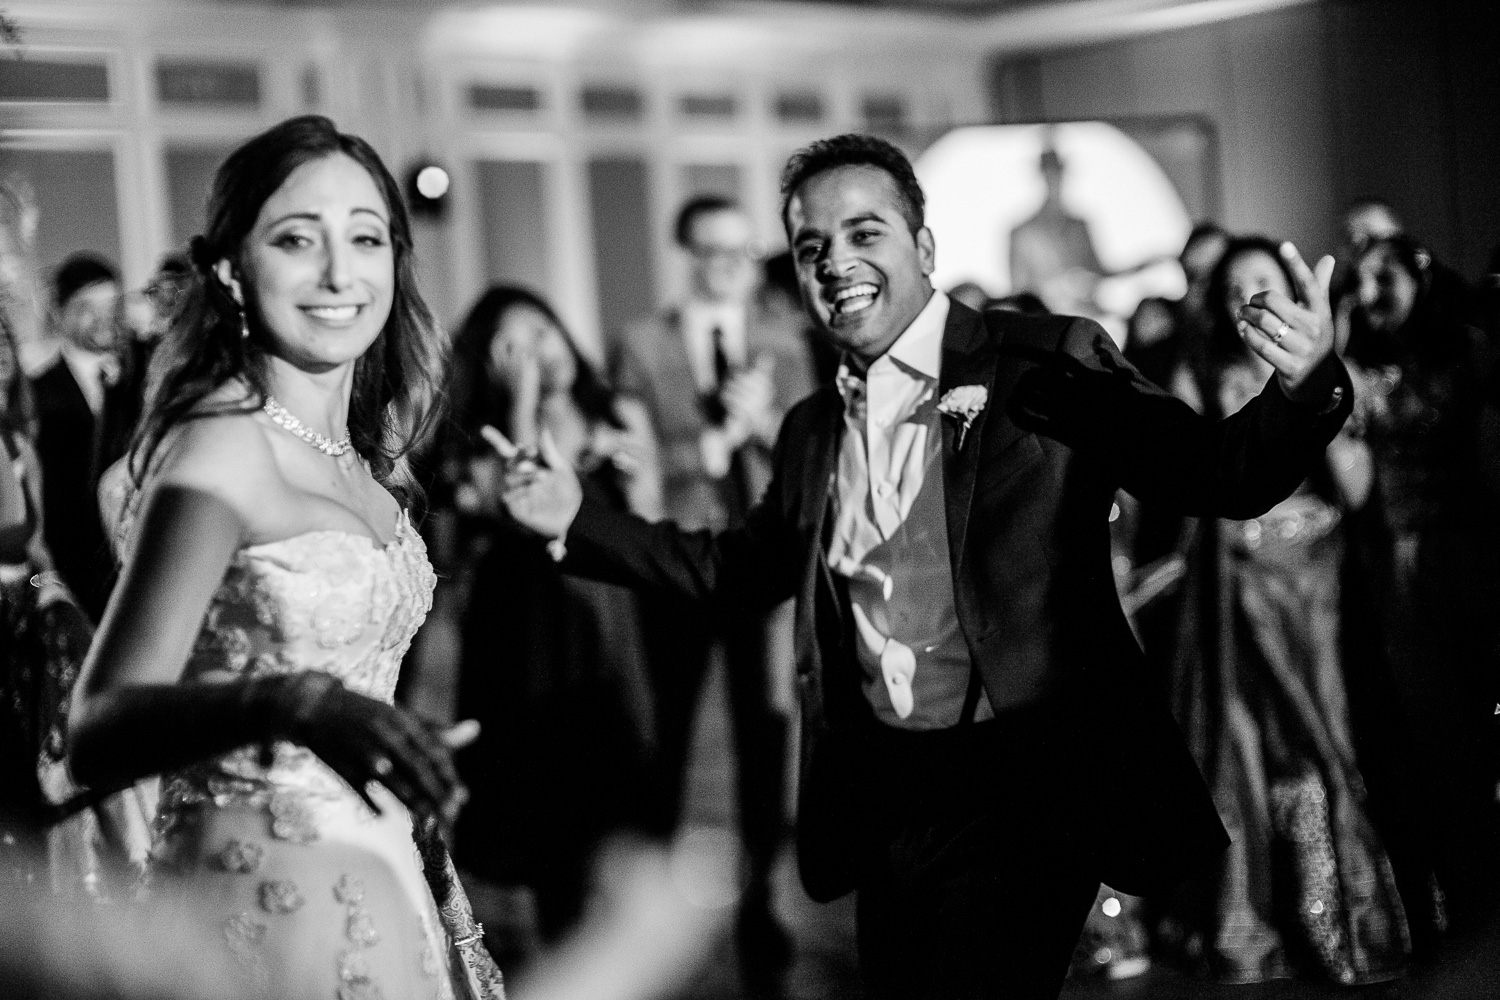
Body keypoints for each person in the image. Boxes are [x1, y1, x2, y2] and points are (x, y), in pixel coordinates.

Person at [486, 133, 1353, 999]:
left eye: (865, 234)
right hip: (889, 788)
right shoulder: (811, 430)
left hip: (1025, 780)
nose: (836, 263)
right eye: (811, 247)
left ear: (925, 248)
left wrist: (1307, 386)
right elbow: (738, 569)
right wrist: (577, 521)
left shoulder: (1042, 361)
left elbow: (1214, 472)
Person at [65, 115, 502, 1000]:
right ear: (230, 268)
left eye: (367, 239)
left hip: (385, 877)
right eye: (299, 240)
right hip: (255, 905)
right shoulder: (225, 447)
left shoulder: (367, 456)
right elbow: (95, 729)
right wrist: (291, 704)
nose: (341, 274)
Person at [1155, 236, 1408, 984]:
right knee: (1251, 741)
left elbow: (1354, 490)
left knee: (1328, 732)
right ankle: (1265, 920)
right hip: (1240, 580)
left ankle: (1351, 917)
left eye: (1264, 281)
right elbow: (1184, 478)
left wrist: (1322, 391)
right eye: (1237, 286)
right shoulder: (1201, 372)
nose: (1251, 296)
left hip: (1315, 576)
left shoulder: (1322, 376)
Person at [609, 193, 816, 989]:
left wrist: (760, 428)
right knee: (669, 720)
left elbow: (803, 455)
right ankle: (653, 888)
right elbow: (640, 465)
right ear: (686, 251)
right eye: (711, 247)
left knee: (764, 729)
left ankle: (764, 890)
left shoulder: (787, 341)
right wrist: (714, 441)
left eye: (739, 247)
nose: (727, 261)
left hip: (762, 560)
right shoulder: (641, 343)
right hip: (680, 554)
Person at [437, 285, 661, 949]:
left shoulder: (614, 412)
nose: (539, 352)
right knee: (537, 794)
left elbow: (649, 527)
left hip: (603, 619)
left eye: (543, 331)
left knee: (611, 784)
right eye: (515, 345)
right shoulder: (483, 430)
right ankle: (559, 944)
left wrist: (636, 472)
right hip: (519, 628)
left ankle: (600, 939)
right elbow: (503, 498)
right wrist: (520, 401)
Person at [1340, 233, 1500, 941]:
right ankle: (1453, 896)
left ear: (1420, 277)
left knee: (1476, 719)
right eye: (1360, 280)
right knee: (1427, 732)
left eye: (1386, 277)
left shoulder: (1470, 353)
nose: (1372, 293)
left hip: (1469, 551)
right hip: (1394, 565)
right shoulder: (1360, 371)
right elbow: (1353, 490)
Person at [29, 254, 140, 621]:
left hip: (141, 561)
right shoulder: (37, 395)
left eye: (113, 305)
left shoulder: (149, 378)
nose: (105, 318)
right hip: (74, 579)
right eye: (87, 308)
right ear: (59, 313)